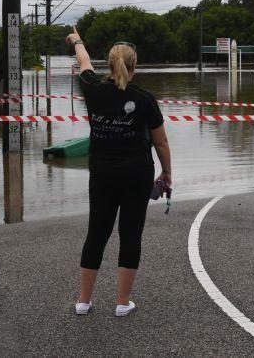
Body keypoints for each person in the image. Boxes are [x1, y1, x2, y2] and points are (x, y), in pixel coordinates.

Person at [65, 27, 173, 317]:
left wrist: (77, 40)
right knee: (130, 234)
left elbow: (84, 62)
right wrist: (167, 173)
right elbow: (160, 142)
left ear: (109, 66)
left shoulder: (93, 90)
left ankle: (83, 301)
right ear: (135, 66)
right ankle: (122, 303)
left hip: (102, 173)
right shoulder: (145, 99)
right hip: (137, 173)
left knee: (97, 233)